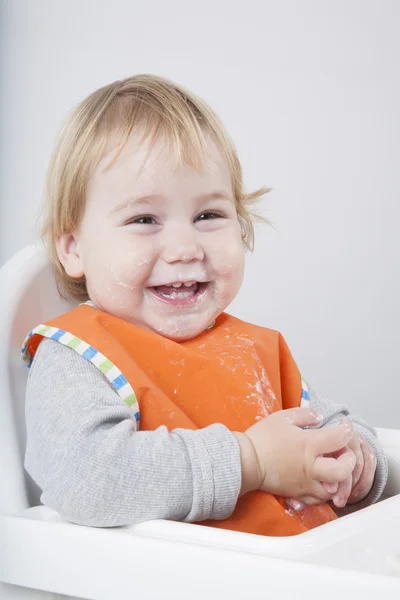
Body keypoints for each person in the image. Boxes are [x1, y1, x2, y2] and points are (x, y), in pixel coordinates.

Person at [22, 74, 387, 536]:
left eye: (207, 215)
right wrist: (251, 461)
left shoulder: (255, 347)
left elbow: (325, 422)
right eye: (144, 219)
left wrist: (355, 462)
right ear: (74, 248)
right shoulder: (78, 355)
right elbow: (87, 479)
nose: (184, 247)